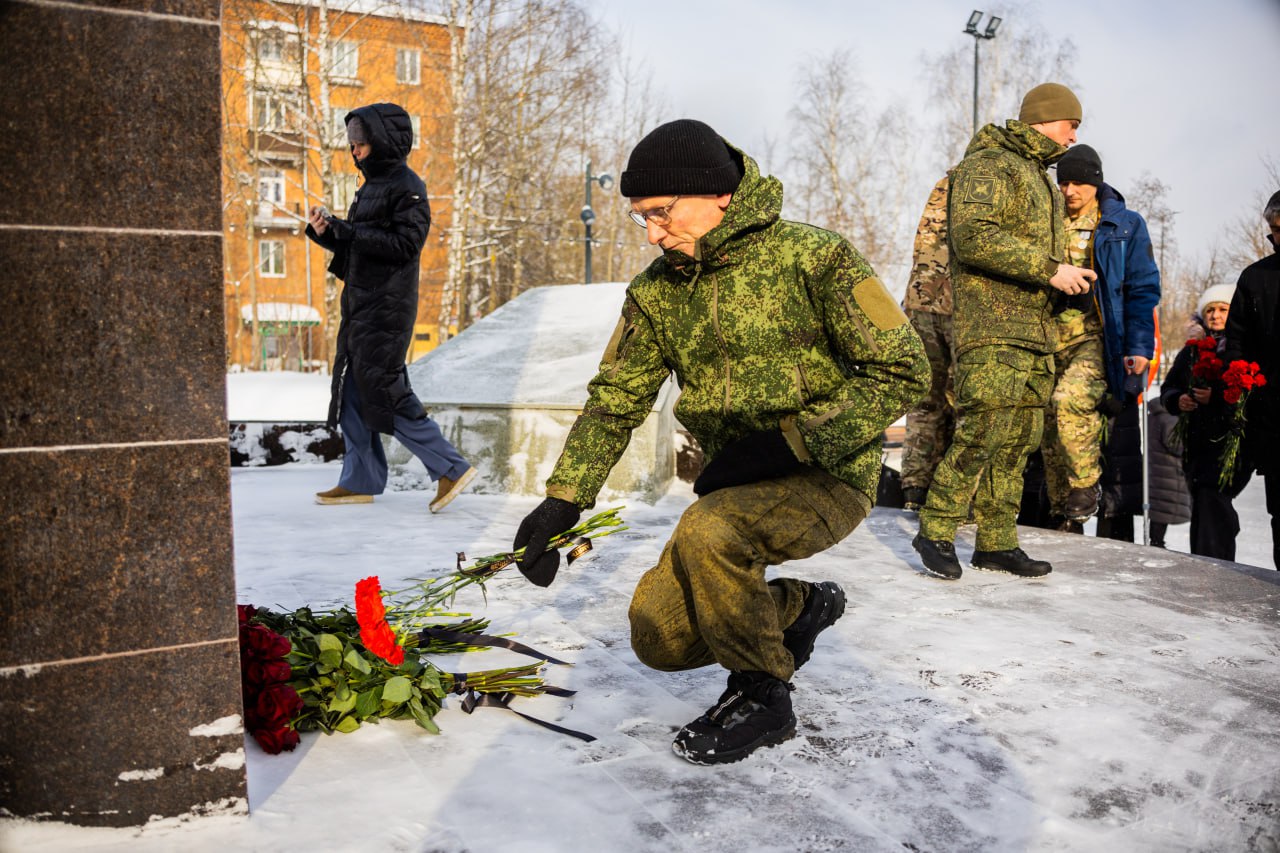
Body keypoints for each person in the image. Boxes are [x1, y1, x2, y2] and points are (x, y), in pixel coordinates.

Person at [510, 119, 928, 765]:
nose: (652, 232)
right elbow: (616, 398)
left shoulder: (815, 258)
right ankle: (800, 606)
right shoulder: (656, 293)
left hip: (828, 475)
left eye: (661, 212)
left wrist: (795, 441)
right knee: (661, 638)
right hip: (733, 487)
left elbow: (904, 369)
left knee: (711, 531)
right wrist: (563, 501)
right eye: (640, 218)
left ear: (718, 195)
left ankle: (764, 695)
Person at [914, 82, 1095, 580]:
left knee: (1019, 438)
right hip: (992, 328)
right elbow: (973, 236)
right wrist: (1050, 268)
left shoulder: (1038, 175)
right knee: (983, 429)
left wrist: (1067, 284)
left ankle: (996, 542)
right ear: (1044, 118)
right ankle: (936, 529)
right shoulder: (991, 163)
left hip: (1034, 331)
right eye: (1071, 123)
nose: (1075, 133)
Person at [306, 103, 476, 512]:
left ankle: (450, 467)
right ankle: (359, 479)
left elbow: (404, 246)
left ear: (381, 142)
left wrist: (348, 231)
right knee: (351, 390)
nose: (354, 151)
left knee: (385, 389)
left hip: (387, 309)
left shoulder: (407, 186)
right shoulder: (370, 188)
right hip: (361, 305)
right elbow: (358, 250)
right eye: (352, 144)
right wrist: (327, 233)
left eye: (360, 143)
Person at [1040, 144, 1162, 534]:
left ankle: (1084, 485)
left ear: (1095, 182)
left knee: (1069, 401)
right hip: (1047, 337)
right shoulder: (1045, 219)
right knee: (1047, 420)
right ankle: (1067, 513)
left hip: (1097, 336)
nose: (1070, 190)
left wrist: (1141, 347)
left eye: (1078, 183)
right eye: (1064, 182)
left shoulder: (1123, 225)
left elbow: (1142, 288)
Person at [1159, 285, 1251, 560]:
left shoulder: (1242, 347)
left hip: (1230, 443)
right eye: (1210, 310)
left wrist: (1219, 398)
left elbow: (1250, 393)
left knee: (1214, 499)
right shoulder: (1192, 351)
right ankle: (1204, 562)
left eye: (1222, 309)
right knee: (1203, 503)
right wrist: (1178, 400)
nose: (1215, 315)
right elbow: (1168, 388)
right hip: (1197, 444)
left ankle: (1216, 564)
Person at [1224, 190, 1280, 568]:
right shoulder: (1255, 278)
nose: (1277, 236)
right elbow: (1236, 342)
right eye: (1274, 230)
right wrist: (1243, 382)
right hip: (1273, 416)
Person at [900, 176, 955, 511]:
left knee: (924, 402)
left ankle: (915, 487)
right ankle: (952, 496)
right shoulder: (987, 182)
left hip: (920, 298)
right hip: (955, 304)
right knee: (963, 402)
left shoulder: (943, 184)